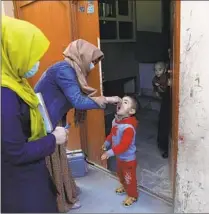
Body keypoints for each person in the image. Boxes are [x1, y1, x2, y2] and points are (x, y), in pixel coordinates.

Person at [34, 39, 121, 212]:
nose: (93, 66)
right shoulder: (64, 70)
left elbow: (68, 99)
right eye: (93, 61)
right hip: (45, 122)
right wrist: (108, 99)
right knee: (53, 161)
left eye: (96, 62)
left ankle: (66, 192)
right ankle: (60, 200)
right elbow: (78, 101)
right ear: (82, 56)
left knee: (59, 158)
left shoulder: (72, 71)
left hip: (53, 119)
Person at [1, 16, 69, 213]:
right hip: (21, 187)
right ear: (12, 52)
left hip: (29, 176)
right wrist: (53, 139)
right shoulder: (5, 95)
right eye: (32, 56)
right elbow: (16, 153)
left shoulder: (17, 82)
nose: (37, 63)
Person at [101, 96, 138, 207]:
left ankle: (132, 195)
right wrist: (106, 143)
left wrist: (109, 153)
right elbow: (112, 134)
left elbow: (124, 146)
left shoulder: (128, 128)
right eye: (121, 100)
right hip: (119, 158)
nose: (121, 102)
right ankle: (124, 185)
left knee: (129, 178)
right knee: (120, 174)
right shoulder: (115, 121)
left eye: (125, 102)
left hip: (128, 160)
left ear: (131, 111)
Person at [152, 61, 171, 158]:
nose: (157, 72)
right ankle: (164, 146)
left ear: (164, 69)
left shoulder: (167, 77)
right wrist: (157, 89)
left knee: (167, 123)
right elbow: (157, 92)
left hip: (169, 100)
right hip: (165, 101)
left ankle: (166, 147)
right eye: (155, 70)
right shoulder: (155, 79)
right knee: (163, 122)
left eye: (160, 69)